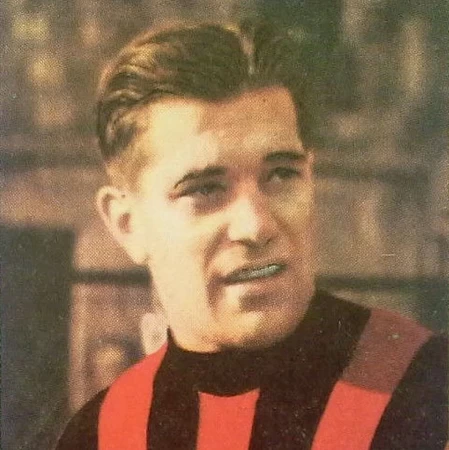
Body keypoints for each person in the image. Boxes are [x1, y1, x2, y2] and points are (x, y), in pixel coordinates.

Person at [57, 21, 448, 449]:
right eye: (204, 189)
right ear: (128, 225)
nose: (256, 226)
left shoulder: (426, 388)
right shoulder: (100, 434)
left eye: (281, 174)